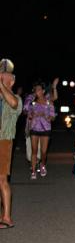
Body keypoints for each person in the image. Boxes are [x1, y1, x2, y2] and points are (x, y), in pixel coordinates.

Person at [0, 72, 22, 229]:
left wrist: (1, 85)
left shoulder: (16, 98)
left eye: (3, 76)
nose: (0, 77)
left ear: (12, 81)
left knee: (2, 179)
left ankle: (7, 217)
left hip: (3, 141)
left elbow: (13, 103)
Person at [24, 81, 56, 179]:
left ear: (43, 91)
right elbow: (27, 114)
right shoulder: (32, 103)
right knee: (34, 151)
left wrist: (46, 116)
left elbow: (53, 117)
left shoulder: (49, 102)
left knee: (43, 151)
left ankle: (42, 165)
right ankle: (33, 171)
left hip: (45, 129)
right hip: (34, 128)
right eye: (35, 90)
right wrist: (31, 115)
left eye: (38, 89)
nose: (36, 91)